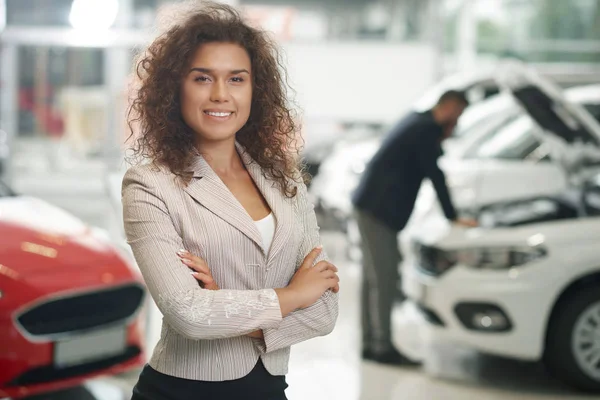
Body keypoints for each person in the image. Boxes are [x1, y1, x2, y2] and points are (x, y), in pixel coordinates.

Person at [122, 3, 339, 399]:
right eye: (203, 78)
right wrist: (291, 296)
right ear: (176, 87)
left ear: (256, 89)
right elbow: (188, 313)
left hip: (270, 389)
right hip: (180, 391)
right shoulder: (149, 184)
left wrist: (223, 304)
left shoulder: (283, 179)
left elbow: (324, 310)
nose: (220, 95)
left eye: (236, 79)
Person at [351, 90, 477, 366]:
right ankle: (381, 347)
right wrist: (452, 216)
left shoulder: (417, 119)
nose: (457, 122)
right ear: (451, 107)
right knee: (384, 278)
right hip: (379, 211)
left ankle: (370, 344)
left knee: (372, 278)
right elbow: (436, 174)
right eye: (458, 114)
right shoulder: (426, 129)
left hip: (368, 204)